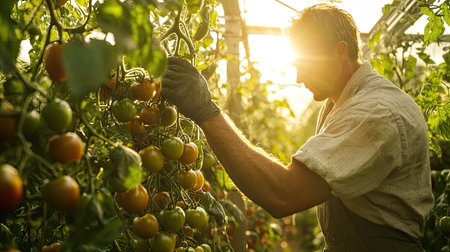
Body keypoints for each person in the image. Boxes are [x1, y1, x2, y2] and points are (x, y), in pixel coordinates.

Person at [161, 4, 434, 252]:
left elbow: (284, 194)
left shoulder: (375, 111)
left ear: (340, 52)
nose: (299, 77)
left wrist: (207, 112)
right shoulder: (341, 103)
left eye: (305, 65)